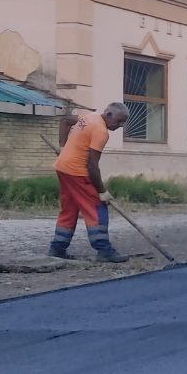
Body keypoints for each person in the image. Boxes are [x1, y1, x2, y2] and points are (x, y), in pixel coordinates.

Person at [49, 103, 130, 262]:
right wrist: (101, 191)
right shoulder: (101, 132)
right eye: (119, 121)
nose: (120, 126)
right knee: (96, 207)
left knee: (69, 208)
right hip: (76, 172)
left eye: (123, 123)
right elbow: (92, 166)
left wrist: (62, 147)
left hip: (62, 168)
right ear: (108, 114)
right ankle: (104, 250)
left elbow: (65, 120)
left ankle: (57, 248)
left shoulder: (89, 117)